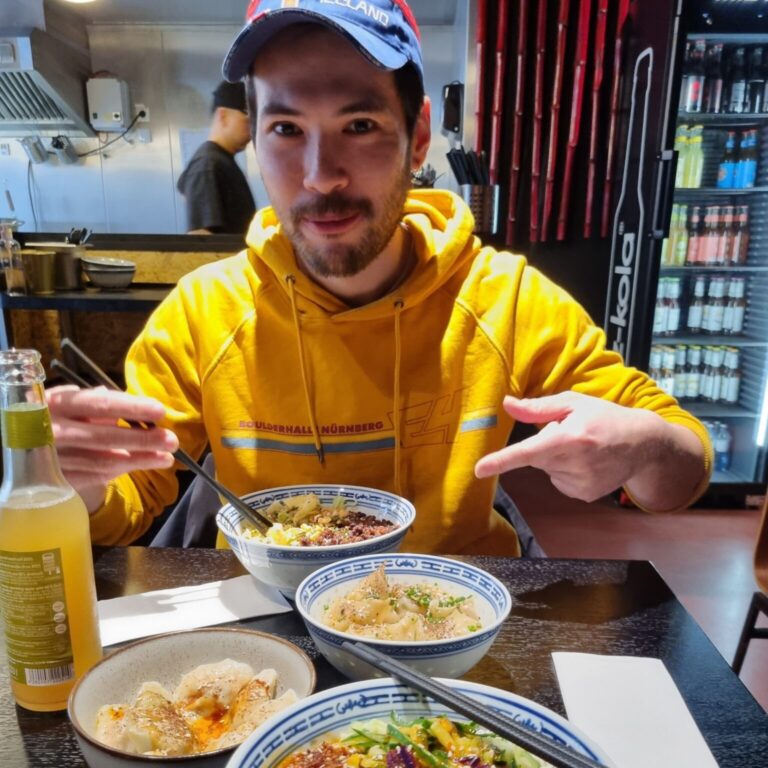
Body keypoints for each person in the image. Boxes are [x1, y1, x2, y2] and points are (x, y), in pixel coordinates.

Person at [48, 0, 711, 554]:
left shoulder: (504, 298)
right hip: (266, 636)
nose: (320, 176)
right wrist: (79, 480)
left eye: (359, 125)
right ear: (255, 138)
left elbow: (680, 474)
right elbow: (129, 504)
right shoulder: (204, 313)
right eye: (285, 128)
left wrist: (643, 449)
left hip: (453, 631)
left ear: (417, 136)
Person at [177, 80, 256, 234]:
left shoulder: (222, 161)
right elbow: (201, 239)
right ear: (223, 116)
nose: (252, 129)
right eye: (247, 120)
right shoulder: (208, 165)